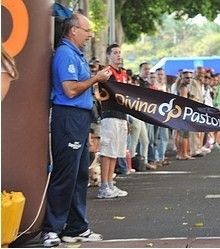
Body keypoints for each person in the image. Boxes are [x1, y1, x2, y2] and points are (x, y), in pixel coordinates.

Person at [42, 13, 112, 247]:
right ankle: (51, 229)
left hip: (80, 118)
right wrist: (96, 79)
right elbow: (70, 90)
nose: (90, 35)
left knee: (80, 174)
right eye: (86, 30)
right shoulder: (65, 54)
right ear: (73, 30)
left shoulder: (76, 55)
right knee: (65, 174)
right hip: (68, 117)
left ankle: (76, 227)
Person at [93, 43, 128, 199]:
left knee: (115, 152)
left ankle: (110, 183)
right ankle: (103, 186)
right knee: (107, 152)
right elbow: (97, 90)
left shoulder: (124, 73)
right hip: (110, 115)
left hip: (122, 115)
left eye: (120, 52)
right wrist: (100, 98)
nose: (118, 55)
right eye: (115, 53)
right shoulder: (106, 72)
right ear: (109, 56)